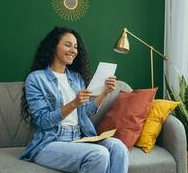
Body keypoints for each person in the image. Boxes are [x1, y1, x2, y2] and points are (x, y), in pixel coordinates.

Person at [20, 27, 129, 173]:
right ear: (53, 46)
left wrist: (104, 93)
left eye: (76, 47)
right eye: (68, 45)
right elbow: (42, 121)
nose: (73, 50)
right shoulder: (36, 79)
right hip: (50, 142)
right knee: (98, 154)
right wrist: (73, 104)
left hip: (78, 137)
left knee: (118, 147)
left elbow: (85, 113)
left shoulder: (76, 78)